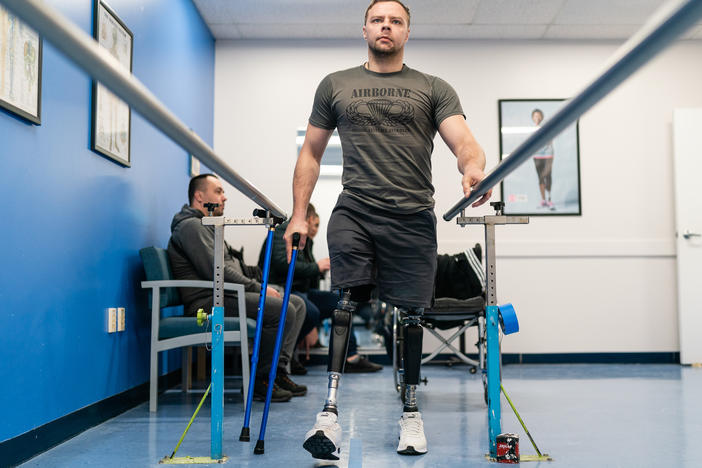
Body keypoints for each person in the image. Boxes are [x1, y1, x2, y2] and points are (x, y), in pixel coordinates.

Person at [283, 0, 491, 459]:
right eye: (378, 19)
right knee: (345, 301)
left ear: (407, 33)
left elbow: (465, 142)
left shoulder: (433, 87)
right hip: (354, 210)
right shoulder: (335, 84)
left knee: (413, 315)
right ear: (364, 29)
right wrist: (299, 213)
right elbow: (311, 154)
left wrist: (473, 170)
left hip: (413, 215)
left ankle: (411, 414)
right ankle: (329, 415)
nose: (386, 26)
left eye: (396, 21)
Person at [167, 173, 308, 403]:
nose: (225, 197)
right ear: (199, 196)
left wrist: (263, 280)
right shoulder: (191, 227)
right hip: (209, 302)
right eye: (219, 191)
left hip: (227, 294)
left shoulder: (209, 226)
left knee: (297, 304)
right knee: (280, 308)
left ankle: (277, 372)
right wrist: (259, 290)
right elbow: (216, 271)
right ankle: (260, 381)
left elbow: (235, 265)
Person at [261, 203, 383, 374]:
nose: (316, 229)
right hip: (281, 288)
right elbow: (284, 264)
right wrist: (317, 268)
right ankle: (284, 358)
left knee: (340, 303)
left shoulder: (306, 240)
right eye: (316, 224)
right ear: (310, 219)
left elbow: (305, 275)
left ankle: (348, 358)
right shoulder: (284, 232)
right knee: (311, 312)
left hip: (299, 290)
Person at [531, 109, 556, 210]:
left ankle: (549, 200)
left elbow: (549, 141)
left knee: (548, 176)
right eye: (535, 116)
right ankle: (543, 200)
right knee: (540, 177)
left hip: (548, 155)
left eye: (538, 116)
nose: (537, 118)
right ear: (532, 118)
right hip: (537, 156)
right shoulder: (532, 130)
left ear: (542, 117)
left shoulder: (546, 127)